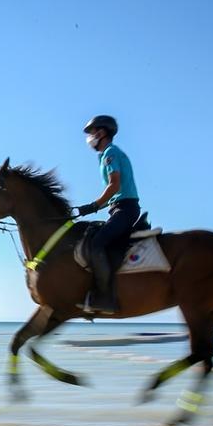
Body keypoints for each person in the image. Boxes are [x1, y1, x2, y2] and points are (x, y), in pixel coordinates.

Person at [75, 114, 140, 314]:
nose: (90, 138)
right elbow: (114, 194)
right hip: (118, 208)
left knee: (96, 243)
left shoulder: (110, 153)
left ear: (102, 133)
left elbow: (114, 185)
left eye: (92, 133)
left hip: (125, 208)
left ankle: (105, 297)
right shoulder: (105, 155)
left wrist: (93, 205)